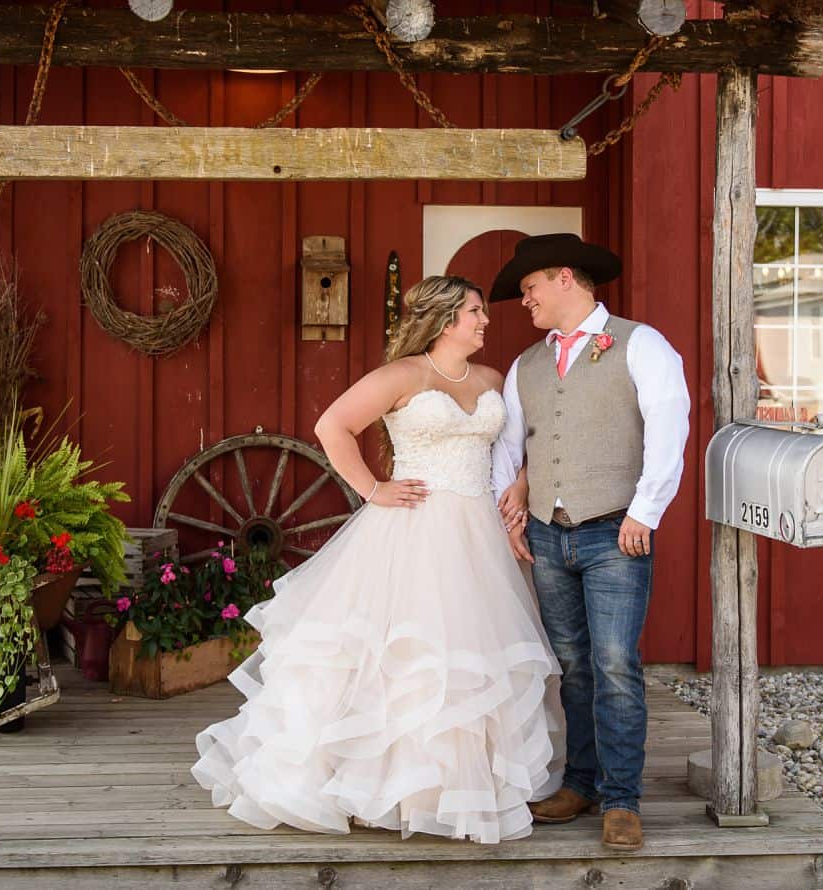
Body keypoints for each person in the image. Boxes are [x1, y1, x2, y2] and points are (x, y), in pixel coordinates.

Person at [191, 275, 563, 844]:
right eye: (474, 312)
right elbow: (331, 426)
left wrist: (522, 485)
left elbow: (527, 445)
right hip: (411, 530)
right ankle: (370, 784)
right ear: (443, 321)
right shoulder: (402, 375)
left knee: (466, 657)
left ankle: (452, 789)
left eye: (482, 312)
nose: (485, 322)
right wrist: (371, 489)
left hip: (478, 536)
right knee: (402, 655)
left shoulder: (492, 379)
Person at [486, 234, 692, 852]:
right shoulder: (527, 364)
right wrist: (512, 515)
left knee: (615, 666)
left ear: (566, 279)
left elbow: (669, 425)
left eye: (530, 289)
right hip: (549, 536)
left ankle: (622, 798)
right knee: (571, 666)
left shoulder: (641, 344)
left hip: (615, 531)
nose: (525, 302)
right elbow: (509, 446)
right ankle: (579, 783)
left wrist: (645, 512)